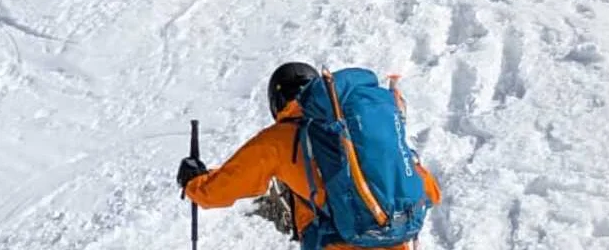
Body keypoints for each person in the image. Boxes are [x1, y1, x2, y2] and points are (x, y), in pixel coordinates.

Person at [178, 63, 444, 250]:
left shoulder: (280, 139)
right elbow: (431, 192)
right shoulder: (351, 132)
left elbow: (217, 192)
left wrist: (194, 181)